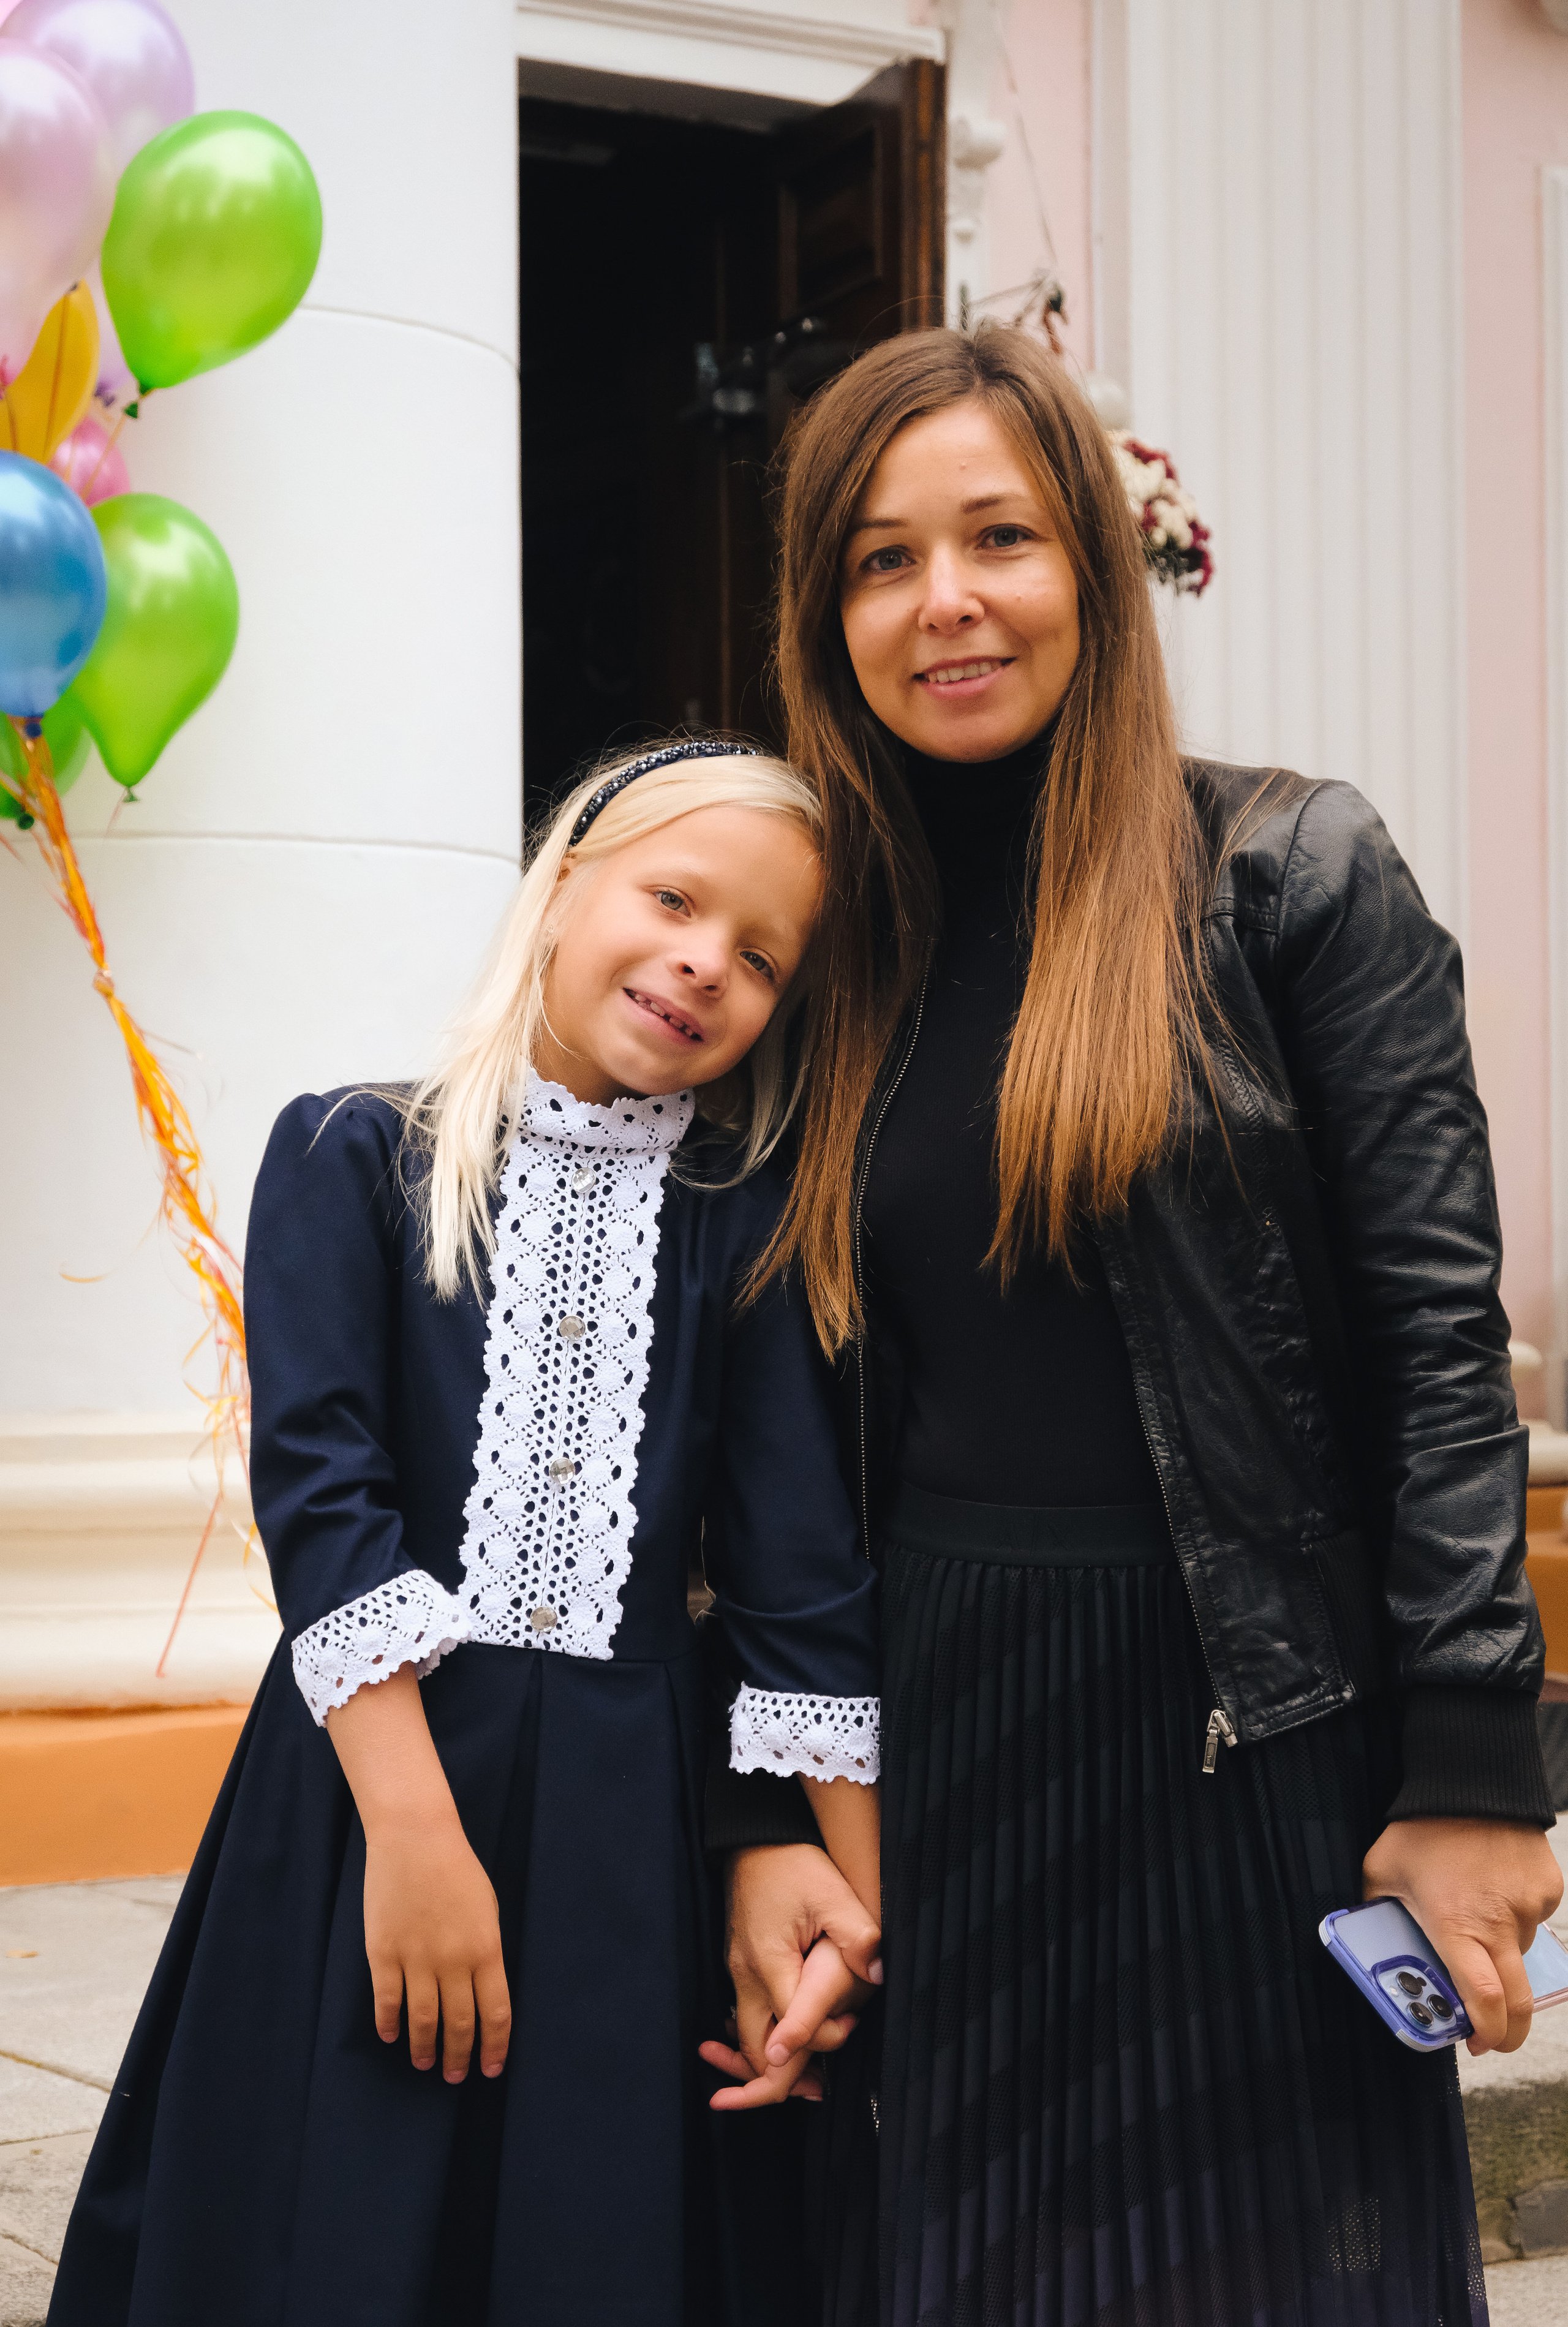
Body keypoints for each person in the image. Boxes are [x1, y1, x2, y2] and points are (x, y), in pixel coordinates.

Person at [706, 328, 1565, 2326]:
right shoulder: (820, 952)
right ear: (826, 614)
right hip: (941, 1739)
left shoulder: (1289, 875)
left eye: (999, 536)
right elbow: (744, 1430)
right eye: (883, 559)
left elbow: (1444, 1346)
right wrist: (763, 1810)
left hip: (1253, 1723)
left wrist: (1470, 1769)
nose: (949, 604)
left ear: (1091, 560)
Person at [48, 740, 883, 2327]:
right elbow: (323, 1494)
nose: (706, 960)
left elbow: (799, 1580)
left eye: (762, 955)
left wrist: (862, 1918)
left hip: (628, 1836)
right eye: (675, 898)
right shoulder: (352, 1154)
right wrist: (416, 1844)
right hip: (373, 1791)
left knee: (586, 2228)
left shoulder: (746, 1228)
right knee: (348, 2216)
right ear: (565, 885)